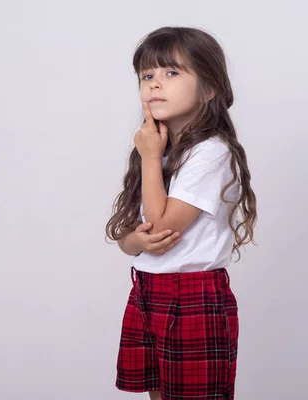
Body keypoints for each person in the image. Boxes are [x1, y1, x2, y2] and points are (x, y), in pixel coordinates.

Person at [105, 26, 258, 400]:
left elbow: (160, 228)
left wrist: (151, 156)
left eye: (172, 73)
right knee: (156, 392)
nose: (155, 84)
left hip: (192, 297)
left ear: (208, 89)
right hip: (147, 290)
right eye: (148, 76)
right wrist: (132, 241)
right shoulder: (161, 150)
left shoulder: (211, 153)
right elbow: (134, 237)